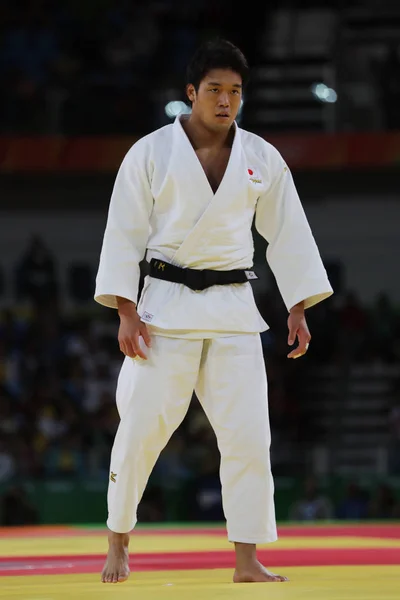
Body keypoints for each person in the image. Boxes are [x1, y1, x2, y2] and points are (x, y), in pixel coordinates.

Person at [95, 38, 333, 584]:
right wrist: (124, 311)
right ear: (191, 93)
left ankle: (247, 560)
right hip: (163, 309)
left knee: (249, 437)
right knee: (139, 431)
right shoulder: (150, 153)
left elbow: (288, 235)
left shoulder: (261, 157)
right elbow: (123, 234)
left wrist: (298, 306)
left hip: (233, 311)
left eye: (235, 92)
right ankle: (117, 543)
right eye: (215, 91)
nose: (226, 101)